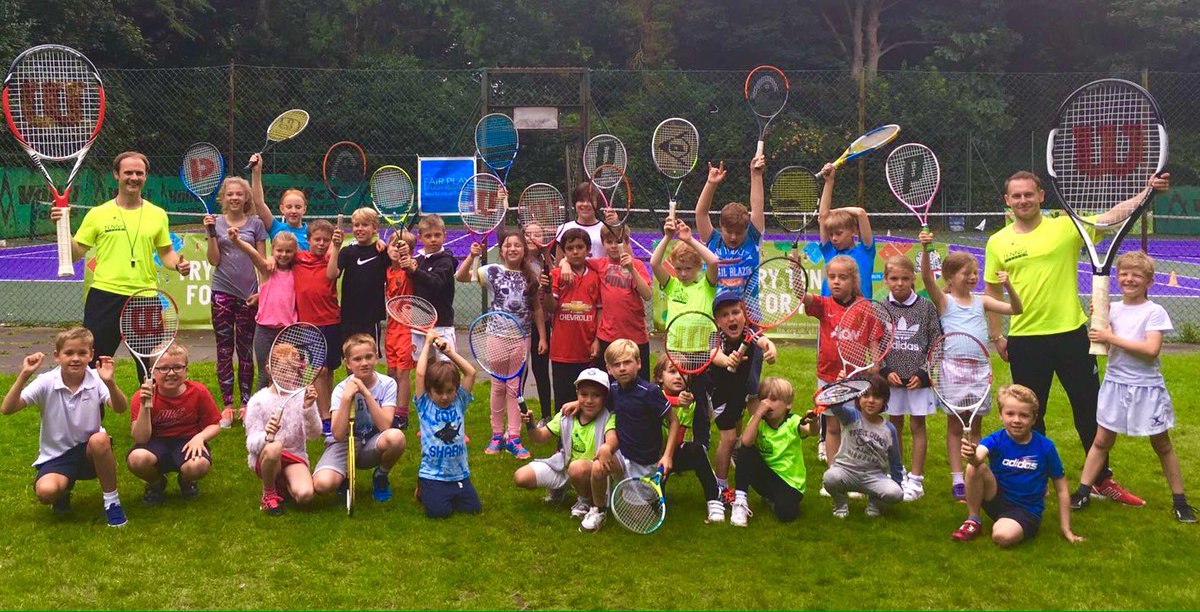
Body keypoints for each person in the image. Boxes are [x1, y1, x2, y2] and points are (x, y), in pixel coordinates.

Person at [984, 170, 1168, 506]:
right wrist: (997, 336)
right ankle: (1033, 478)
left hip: (1071, 335)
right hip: (1025, 339)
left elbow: (1113, 215)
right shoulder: (997, 242)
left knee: (1090, 408)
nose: (1023, 200)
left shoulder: (1067, 227)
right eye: (1016, 196)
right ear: (1007, 201)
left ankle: (1100, 479)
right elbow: (993, 292)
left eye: (1029, 194)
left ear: (1041, 196)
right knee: (1029, 413)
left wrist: (1147, 192)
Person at [1072, 251, 1195, 522]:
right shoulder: (1112, 309)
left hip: (1146, 387)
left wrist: (1109, 336)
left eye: (1136, 275)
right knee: (1101, 441)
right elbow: (1104, 348)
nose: (1129, 279)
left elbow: (1151, 350)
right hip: (1115, 385)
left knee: (1162, 444)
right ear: (1117, 277)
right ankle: (1082, 492)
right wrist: (1100, 323)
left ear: (1149, 281)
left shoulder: (1154, 312)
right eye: (1124, 274)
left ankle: (1180, 502)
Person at [51, 152, 191, 366]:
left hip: (144, 297)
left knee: (151, 367)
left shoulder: (158, 214)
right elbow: (76, 253)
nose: (134, 178)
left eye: (139, 173)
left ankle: (146, 391)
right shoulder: (98, 214)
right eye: (128, 173)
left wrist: (178, 264)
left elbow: (166, 253)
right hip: (104, 296)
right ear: (116, 175)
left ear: (145, 176)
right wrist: (62, 227)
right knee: (95, 364)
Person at [920, 230, 1022, 499]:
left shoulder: (982, 301)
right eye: (967, 273)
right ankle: (957, 479)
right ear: (950, 279)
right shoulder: (945, 301)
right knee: (955, 426)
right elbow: (927, 279)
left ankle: (972, 472)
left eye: (975, 272)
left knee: (975, 427)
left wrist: (1009, 286)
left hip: (980, 372)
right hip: (952, 371)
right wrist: (926, 248)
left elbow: (1016, 309)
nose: (973, 277)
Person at [1, 327, 129, 526]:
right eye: (69, 353)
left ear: (91, 355)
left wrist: (110, 382)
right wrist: (24, 375)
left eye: (82, 353)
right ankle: (62, 492)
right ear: (57, 356)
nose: (75, 358)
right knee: (46, 492)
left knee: (100, 439)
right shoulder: (46, 382)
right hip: (57, 456)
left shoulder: (96, 378)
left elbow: (120, 408)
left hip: (89, 453)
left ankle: (112, 502)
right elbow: (7, 409)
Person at [951, 384, 1083, 546]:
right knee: (974, 467)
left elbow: (1062, 488)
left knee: (1002, 536)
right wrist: (972, 455)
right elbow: (978, 458)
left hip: (1026, 510)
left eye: (1024, 415)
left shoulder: (1046, 447)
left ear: (1034, 419)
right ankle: (973, 520)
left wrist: (1066, 529)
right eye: (1010, 414)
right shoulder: (996, 439)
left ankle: (1011, 524)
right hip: (996, 498)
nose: (1016, 420)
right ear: (1001, 415)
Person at [457, 228, 545, 458]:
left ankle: (513, 437)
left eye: (517, 245)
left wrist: (543, 337)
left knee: (514, 389)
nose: (512, 249)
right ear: (502, 250)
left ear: (524, 250)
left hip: (522, 339)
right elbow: (461, 277)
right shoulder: (492, 271)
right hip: (496, 337)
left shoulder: (531, 275)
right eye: (508, 245)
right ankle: (497, 435)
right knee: (498, 387)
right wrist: (472, 256)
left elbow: (537, 308)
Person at [576, 339, 680, 533]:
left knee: (642, 518)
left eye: (627, 362)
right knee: (598, 466)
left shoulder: (650, 392)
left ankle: (643, 496)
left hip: (645, 463)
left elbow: (674, 422)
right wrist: (577, 403)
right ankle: (599, 510)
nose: (622, 368)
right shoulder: (614, 390)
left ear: (638, 363)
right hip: (622, 457)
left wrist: (667, 456)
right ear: (609, 369)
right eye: (616, 364)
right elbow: (599, 402)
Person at [203, 175, 267, 427]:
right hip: (221, 293)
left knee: (245, 350)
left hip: (249, 296)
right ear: (223, 197)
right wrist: (211, 233)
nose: (234, 198)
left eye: (239, 194)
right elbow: (214, 260)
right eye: (230, 194)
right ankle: (228, 405)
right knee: (224, 350)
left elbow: (262, 263)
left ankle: (246, 403)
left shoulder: (256, 224)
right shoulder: (215, 223)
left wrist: (262, 292)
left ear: (246, 197)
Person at [313, 334, 407, 503]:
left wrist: (366, 393)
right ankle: (343, 476)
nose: (364, 363)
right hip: (345, 444)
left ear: (376, 357)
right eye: (357, 359)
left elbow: (385, 426)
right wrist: (345, 399)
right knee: (322, 485)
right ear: (347, 363)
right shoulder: (341, 389)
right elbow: (338, 434)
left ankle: (380, 476)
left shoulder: (387, 384)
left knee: (396, 437)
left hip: (373, 443)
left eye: (368, 357)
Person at [877, 255, 942, 501]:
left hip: (918, 381)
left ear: (913, 278)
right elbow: (876, 344)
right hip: (892, 381)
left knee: (917, 426)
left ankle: (916, 480)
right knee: (894, 427)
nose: (900, 283)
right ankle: (898, 474)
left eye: (905, 278)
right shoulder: (880, 307)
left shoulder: (926, 307)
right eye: (894, 278)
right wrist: (885, 371)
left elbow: (937, 343)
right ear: (885, 280)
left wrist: (924, 374)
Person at [514, 368, 616, 520]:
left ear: (605, 397)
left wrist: (607, 447)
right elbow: (539, 438)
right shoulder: (566, 415)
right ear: (577, 394)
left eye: (596, 395)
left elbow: (612, 438)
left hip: (592, 472)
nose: (589, 400)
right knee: (521, 477)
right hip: (565, 466)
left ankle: (585, 501)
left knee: (577, 468)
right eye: (584, 395)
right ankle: (559, 489)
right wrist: (530, 424)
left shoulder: (609, 417)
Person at [127, 343, 221, 505]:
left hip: (187, 442)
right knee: (137, 459)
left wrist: (199, 438)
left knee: (198, 465)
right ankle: (156, 482)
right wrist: (145, 405)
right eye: (163, 368)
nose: (171, 373)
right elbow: (141, 438)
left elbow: (215, 424)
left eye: (177, 367)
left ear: (186, 370)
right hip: (155, 442)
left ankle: (186, 480)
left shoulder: (198, 391)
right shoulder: (141, 396)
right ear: (152, 372)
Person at [708, 292, 778, 508]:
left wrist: (771, 349)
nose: (731, 318)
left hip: (741, 392)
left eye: (736, 312)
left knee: (744, 431)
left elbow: (764, 341)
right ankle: (720, 486)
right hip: (720, 395)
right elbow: (714, 355)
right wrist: (727, 360)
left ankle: (764, 478)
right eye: (725, 315)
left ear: (744, 314)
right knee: (728, 438)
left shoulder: (750, 331)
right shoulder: (715, 337)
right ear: (718, 321)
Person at [244, 341, 322, 515]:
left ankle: (283, 485)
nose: (288, 375)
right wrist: (267, 436)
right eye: (282, 370)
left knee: (305, 495)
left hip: (295, 456)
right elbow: (251, 443)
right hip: (268, 456)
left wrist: (308, 408)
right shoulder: (258, 401)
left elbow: (314, 434)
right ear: (269, 369)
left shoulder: (302, 396)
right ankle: (269, 493)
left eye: (292, 370)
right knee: (275, 448)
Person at [802, 254, 863, 468]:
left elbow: (872, 340)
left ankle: (851, 470)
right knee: (832, 426)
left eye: (842, 277)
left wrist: (871, 367)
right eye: (832, 277)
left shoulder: (863, 306)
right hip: (827, 376)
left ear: (853, 280)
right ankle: (833, 473)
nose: (836, 282)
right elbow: (802, 296)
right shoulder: (824, 304)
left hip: (854, 379)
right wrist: (795, 270)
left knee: (851, 426)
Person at [732, 377, 816, 526]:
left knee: (786, 514)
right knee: (744, 451)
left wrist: (814, 422)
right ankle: (740, 501)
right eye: (763, 399)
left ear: (788, 404)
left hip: (790, 483)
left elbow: (812, 431)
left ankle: (772, 500)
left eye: (774, 399)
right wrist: (757, 414)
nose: (767, 404)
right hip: (765, 476)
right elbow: (745, 442)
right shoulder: (758, 421)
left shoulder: (793, 421)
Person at [413, 332, 481, 518]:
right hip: (433, 474)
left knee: (473, 509)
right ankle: (422, 487)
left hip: (459, 474)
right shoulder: (424, 404)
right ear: (429, 390)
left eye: (450, 391)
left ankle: (448, 492)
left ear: (456, 390)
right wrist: (427, 344)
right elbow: (420, 374)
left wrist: (449, 352)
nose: (444, 397)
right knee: (439, 513)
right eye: (439, 392)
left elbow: (470, 373)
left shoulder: (459, 401)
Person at [821, 374, 905, 518]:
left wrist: (897, 483)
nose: (871, 400)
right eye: (865, 395)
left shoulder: (889, 429)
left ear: (884, 400)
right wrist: (841, 387)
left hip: (873, 476)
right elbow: (835, 407)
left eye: (876, 397)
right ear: (858, 398)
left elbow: (895, 461)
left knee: (895, 494)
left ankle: (875, 502)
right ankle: (840, 504)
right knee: (830, 477)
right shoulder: (851, 417)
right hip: (846, 472)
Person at [654, 356, 723, 523]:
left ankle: (714, 497)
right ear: (659, 377)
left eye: (683, 373)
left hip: (672, 453)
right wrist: (675, 402)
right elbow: (657, 401)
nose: (678, 376)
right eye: (672, 371)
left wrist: (667, 458)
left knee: (697, 450)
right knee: (654, 507)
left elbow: (678, 436)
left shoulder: (689, 402)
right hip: (651, 455)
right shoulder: (652, 394)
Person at [229, 227, 297, 391]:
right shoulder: (267, 270)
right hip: (265, 331)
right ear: (272, 250)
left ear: (295, 252)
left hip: (288, 331)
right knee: (265, 374)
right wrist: (236, 240)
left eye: (288, 251)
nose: (284, 254)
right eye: (279, 250)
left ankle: (288, 405)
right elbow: (252, 253)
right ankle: (260, 405)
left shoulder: (298, 272)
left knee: (289, 373)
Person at [292, 219, 343, 432]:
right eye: (317, 239)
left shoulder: (332, 259)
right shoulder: (297, 258)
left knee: (328, 370)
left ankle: (327, 407)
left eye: (325, 240)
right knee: (320, 370)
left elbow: (332, 274)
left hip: (332, 321)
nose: (321, 244)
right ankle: (325, 418)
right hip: (309, 325)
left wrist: (336, 247)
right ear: (308, 240)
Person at [546, 228, 602, 413]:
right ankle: (562, 432)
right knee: (562, 402)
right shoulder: (556, 275)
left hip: (586, 349)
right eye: (570, 248)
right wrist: (547, 291)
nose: (575, 252)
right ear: (564, 251)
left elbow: (599, 310)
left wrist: (597, 340)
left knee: (587, 401)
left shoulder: (595, 275)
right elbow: (551, 308)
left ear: (588, 249)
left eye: (580, 247)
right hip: (562, 351)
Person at [694, 155, 767, 294]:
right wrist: (710, 184)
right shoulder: (713, 241)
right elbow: (701, 214)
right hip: (716, 307)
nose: (733, 237)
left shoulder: (753, 238)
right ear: (721, 226)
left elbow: (757, 206)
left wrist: (756, 175)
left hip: (748, 307)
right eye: (729, 232)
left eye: (738, 233)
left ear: (746, 229)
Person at [589, 225, 652, 378]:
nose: (613, 246)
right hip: (608, 336)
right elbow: (574, 260)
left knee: (639, 382)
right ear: (603, 243)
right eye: (609, 242)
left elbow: (647, 294)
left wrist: (632, 269)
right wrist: (565, 263)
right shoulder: (600, 264)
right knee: (609, 382)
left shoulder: (637, 265)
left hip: (635, 337)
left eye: (618, 241)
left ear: (626, 242)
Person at [328, 208, 390, 346]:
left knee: (369, 353)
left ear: (375, 228)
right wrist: (336, 247)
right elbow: (331, 274)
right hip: (349, 315)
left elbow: (396, 268)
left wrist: (381, 241)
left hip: (372, 317)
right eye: (356, 225)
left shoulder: (381, 251)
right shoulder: (346, 251)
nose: (360, 229)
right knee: (349, 353)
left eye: (365, 225)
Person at [816, 163, 875, 299]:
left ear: (853, 231)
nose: (834, 238)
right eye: (831, 234)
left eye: (839, 233)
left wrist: (834, 211)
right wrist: (829, 181)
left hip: (860, 310)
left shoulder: (865, 251)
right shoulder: (830, 251)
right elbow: (823, 216)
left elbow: (860, 213)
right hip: (830, 311)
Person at [403, 214, 458, 359]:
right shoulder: (418, 260)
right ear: (420, 237)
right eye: (428, 236)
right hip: (420, 324)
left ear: (445, 235)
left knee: (446, 367)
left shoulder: (446, 261)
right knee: (424, 365)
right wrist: (408, 268)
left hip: (441, 325)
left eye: (437, 235)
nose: (433, 239)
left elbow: (436, 283)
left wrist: (415, 271)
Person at [650, 218, 721, 325]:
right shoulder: (671, 285)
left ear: (699, 267)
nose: (683, 274)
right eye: (678, 269)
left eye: (688, 268)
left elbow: (713, 262)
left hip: (703, 336)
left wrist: (690, 240)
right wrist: (667, 237)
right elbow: (654, 263)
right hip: (675, 337)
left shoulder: (707, 286)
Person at [383, 231, 417, 428]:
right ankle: (390, 409)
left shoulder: (409, 269)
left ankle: (402, 415)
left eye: (402, 246)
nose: (396, 249)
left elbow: (413, 269)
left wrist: (408, 260)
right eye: (393, 245)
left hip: (407, 329)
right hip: (391, 329)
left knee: (403, 373)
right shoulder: (387, 270)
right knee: (391, 372)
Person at [522, 225, 555, 418]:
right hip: (520, 325)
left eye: (538, 234)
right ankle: (519, 414)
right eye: (528, 234)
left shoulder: (547, 262)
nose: (532, 237)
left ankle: (546, 416)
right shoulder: (518, 262)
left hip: (542, 324)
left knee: (541, 370)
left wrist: (548, 256)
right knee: (520, 372)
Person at [249, 153, 311, 249]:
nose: (293, 211)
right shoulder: (276, 228)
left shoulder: (312, 232)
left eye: (298, 207)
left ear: (304, 209)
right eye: (289, 207)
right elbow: (258, 202)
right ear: (282, 208)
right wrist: (256, 172)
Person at [555, 182, 606, 258]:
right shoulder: (563, 229)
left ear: (597, 204)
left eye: (590, 201)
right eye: (581, 200)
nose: (585, 204)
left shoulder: (606, 229)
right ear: (575, 203)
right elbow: (558, 263)